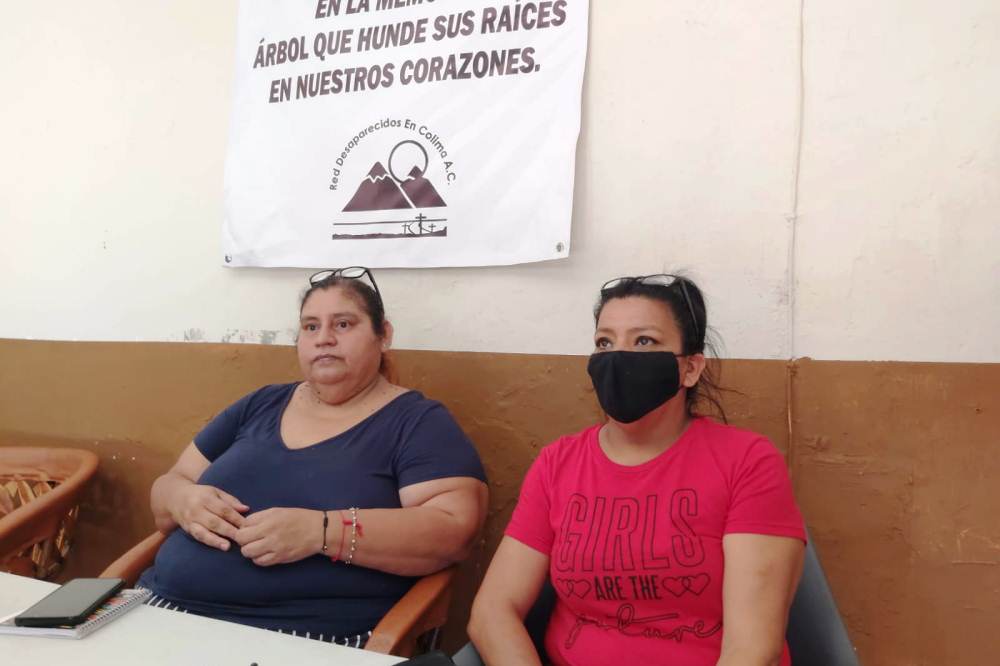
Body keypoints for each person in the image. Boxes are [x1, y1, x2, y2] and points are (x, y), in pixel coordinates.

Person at [139, 267, 488, 646]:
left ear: (383, 335)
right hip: (161, 609)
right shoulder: (260, 404)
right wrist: (182, 500)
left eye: (343, 324)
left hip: (301, 637)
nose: (323, 339)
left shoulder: (417, 423)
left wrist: (321, 532)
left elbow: (454, 532)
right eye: (310, 327)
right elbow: (168, 488)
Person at [469, 274, 805, 666]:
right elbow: (493, 611)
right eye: (604, 342)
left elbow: (752, 650)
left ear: (690, 368)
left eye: (644, 341)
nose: (618, 357)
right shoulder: (558, 463)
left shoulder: (747, 462)